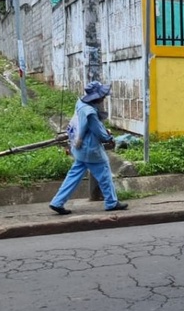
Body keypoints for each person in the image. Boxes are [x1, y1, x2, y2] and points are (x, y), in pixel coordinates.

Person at [49, 81, 128, 215]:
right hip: (90, 149)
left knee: (73, 175)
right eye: (102, 95)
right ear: (96, 96)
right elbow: (98, 131)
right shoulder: (90, 112)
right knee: (104, 174)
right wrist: (109, 138)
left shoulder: (81, 104)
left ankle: (57, 202)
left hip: (79, 147)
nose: (103, 97)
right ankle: (111, 202)